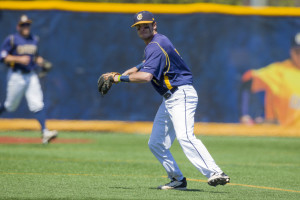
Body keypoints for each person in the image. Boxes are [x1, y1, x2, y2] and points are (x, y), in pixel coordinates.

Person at [111, 11, 230, 189]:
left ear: (154, 25)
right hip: (170, 99)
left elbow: (146, 77)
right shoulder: (160, 42)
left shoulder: (155, 44)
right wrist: (134, 68)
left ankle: (215, 172)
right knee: (156, 143)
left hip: (180, 94)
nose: (142, 28)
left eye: (146, 25)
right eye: (139, 27)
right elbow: (150, 61)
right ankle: (177, 180)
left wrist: (118, 78)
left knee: (185, 136)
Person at [0, 15, 57, 144]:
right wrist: (18, 59)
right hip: (16, 75)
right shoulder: (12, 39)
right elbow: (2, 56)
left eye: (28, 25)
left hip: (31, 75)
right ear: (18, 26)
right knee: (10, 105)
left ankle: (45, 132)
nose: (26, 27)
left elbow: (35, 57)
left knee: (37, 103)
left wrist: (41, 62)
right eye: (23, 25)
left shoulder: (34, 39)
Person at [240, 32, 300, 126]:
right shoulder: (279, 72)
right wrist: (244, 115)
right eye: (298, 52)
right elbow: (247, 80)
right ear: (291, 51)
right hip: (282, 136)